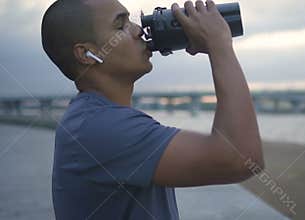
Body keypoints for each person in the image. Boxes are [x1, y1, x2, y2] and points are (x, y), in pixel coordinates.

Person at [41, 0, 264, 219]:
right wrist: (219, 45)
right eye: (121, 26)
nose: (138, 30)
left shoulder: (96, 118)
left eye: (132, 21)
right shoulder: (98, 127)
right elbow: (240, 159)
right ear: (86, 54)